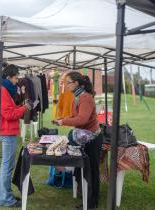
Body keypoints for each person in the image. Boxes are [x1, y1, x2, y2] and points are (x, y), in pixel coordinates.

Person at [53, 71, 102, 210]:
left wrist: (63, 122)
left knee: (91, 171)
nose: (65, 86)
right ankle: (86, 197)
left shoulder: (85, 97)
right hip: (86, 138)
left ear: (76, 83)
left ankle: (91, 203)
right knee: (86, 169)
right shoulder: (78, 97)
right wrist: (62, 119)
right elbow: (76, 115)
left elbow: (82, 119)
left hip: (92, 139)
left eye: (67, 83)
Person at [0, 64, 32, 208]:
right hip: (7, 131)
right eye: (15, 78)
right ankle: (5, 198)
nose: (16, 81)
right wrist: (24, 109)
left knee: (7, 165)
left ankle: (6, 194)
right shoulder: (2, 90)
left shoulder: (2, 89)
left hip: (7, 130)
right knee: (7, 166)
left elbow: (8, 109)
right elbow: (8, 114)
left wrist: (19, 108)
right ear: (9, 77)